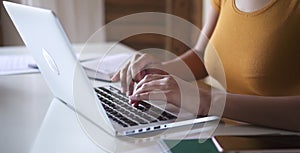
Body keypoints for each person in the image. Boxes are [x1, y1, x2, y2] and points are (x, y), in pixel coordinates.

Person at [111, 0, 300, 132]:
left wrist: (208, 101)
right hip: (227, 130)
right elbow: (203, 55)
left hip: (278, 146)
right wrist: (159, 71)